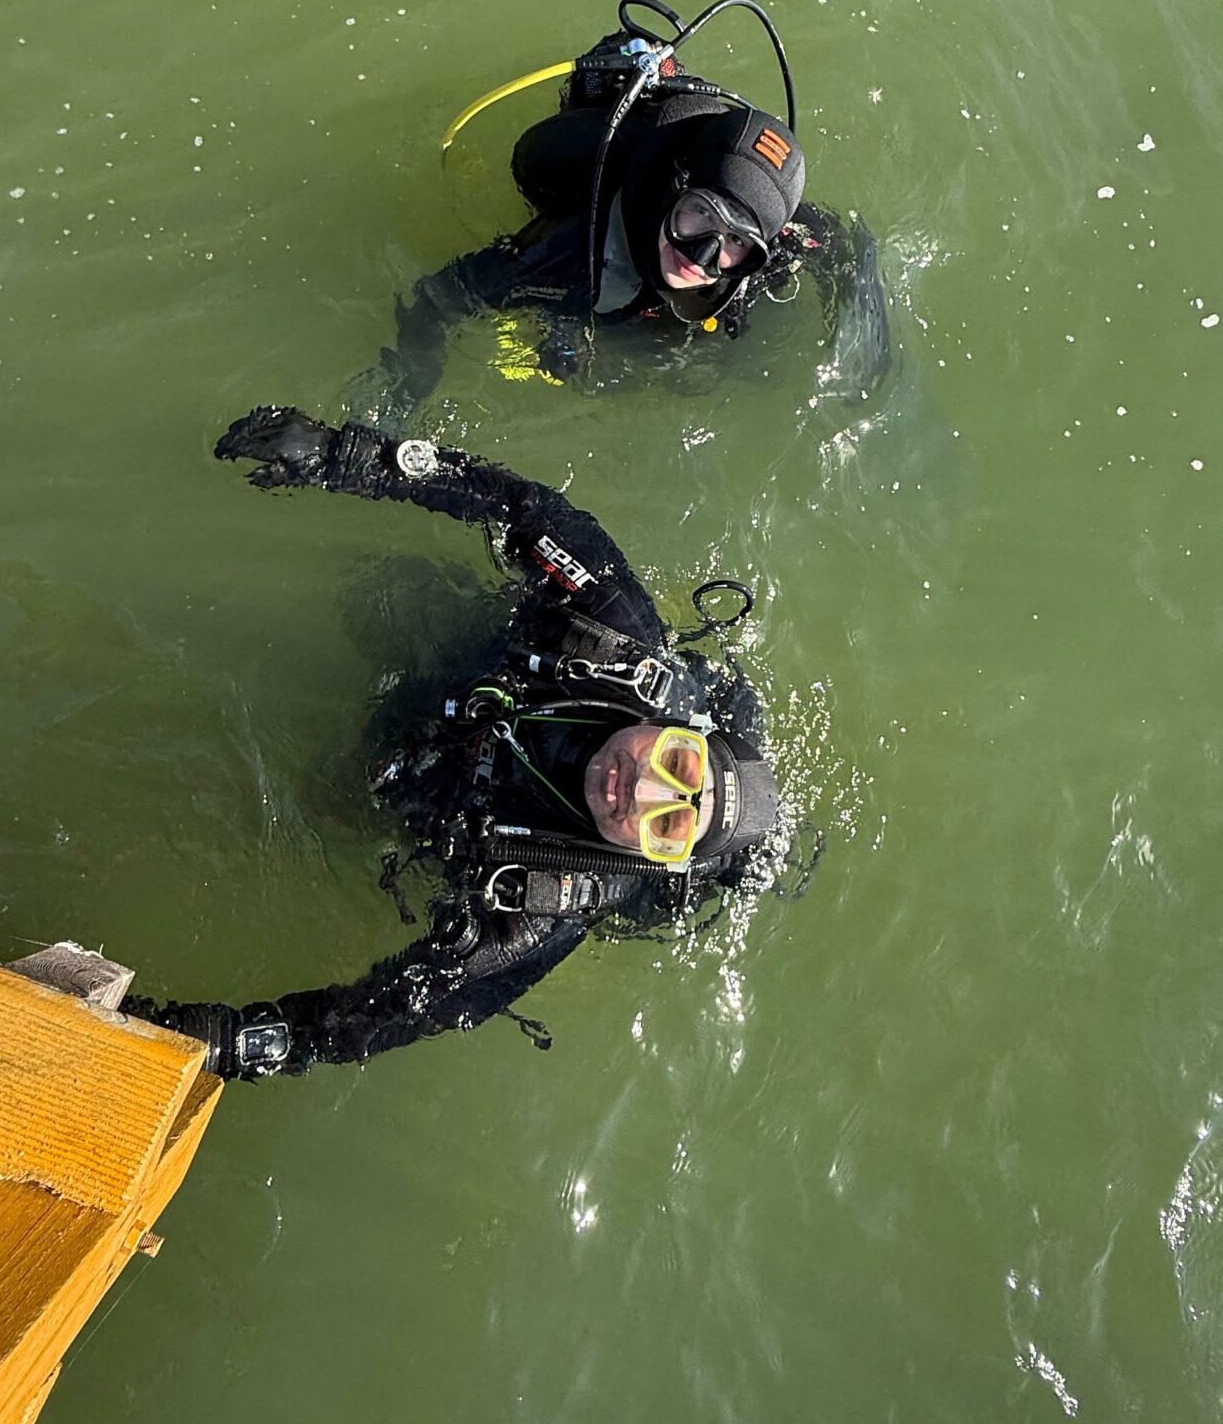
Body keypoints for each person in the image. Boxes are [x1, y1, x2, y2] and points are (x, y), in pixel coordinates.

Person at [124, 406, 782, 1079]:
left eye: (667, 825)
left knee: (324, 803)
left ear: (656, 855)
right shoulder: (615, 633)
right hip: (482, 665)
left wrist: (220, 1042)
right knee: (375, 594)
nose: (639, 790)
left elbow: (386, 1016)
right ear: (680, 730)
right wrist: (349, 457)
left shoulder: (544, 906)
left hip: (446, 797)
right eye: (676, 764)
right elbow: (526, 507)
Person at [346, 0, 890, 427]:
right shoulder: (570, 249)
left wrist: (859, 348)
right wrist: (406, 388)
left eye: (736, 242)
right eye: (700, 213)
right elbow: (439, 297)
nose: (701, 255)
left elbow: (845, 245)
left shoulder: (778, 235)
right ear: (675, 188)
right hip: (601, 268)